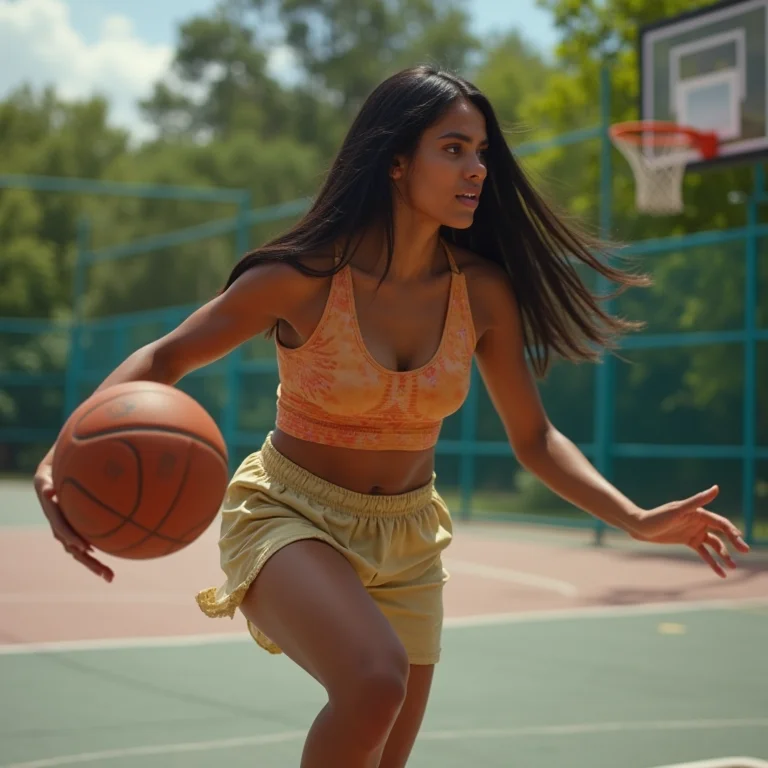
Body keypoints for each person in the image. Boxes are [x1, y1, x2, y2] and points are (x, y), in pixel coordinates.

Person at [33, 66, 750, 768]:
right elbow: (162, 361)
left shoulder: (484, 293)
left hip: (409, 538)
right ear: (397, 162)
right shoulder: (304, 277)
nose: (477, 170)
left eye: (483, 154)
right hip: (289, 514)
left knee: (384, 751)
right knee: (374, 684)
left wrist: (635, 518)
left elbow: (534, 439)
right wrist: (60, 459)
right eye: (454, 148)